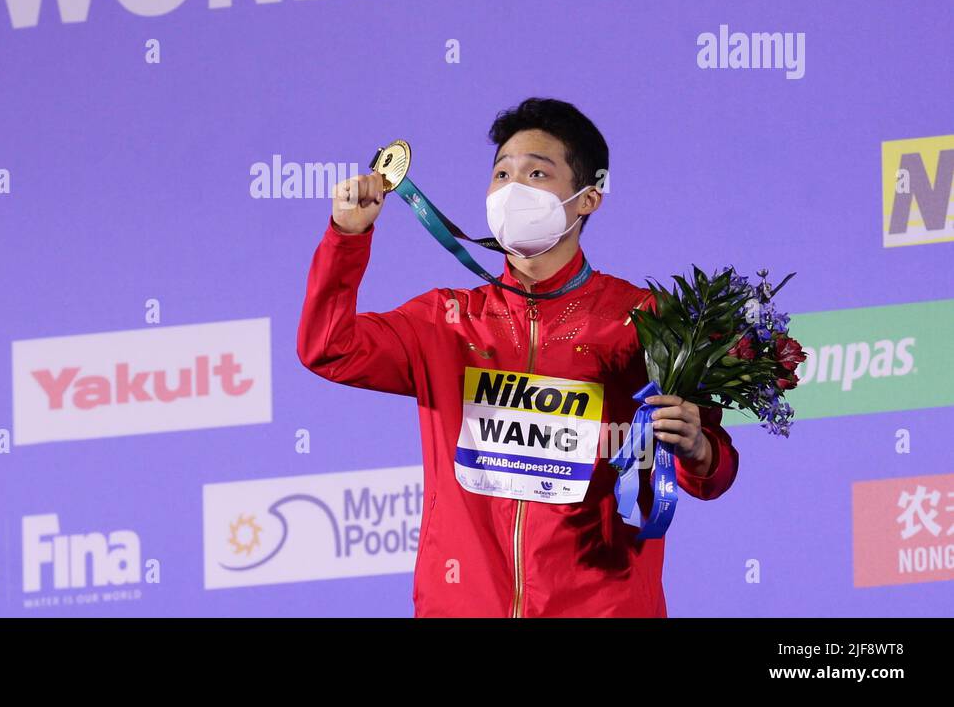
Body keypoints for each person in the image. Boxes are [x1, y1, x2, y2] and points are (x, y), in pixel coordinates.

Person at [296, 97, 739, 617]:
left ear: (588, 198)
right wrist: (347, 237)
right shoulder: (445, 321)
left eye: (536, 173)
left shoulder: (646, 321)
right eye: (502, 173)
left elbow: (714, 469)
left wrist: (698, 451)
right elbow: (329, 347)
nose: (512, 189)